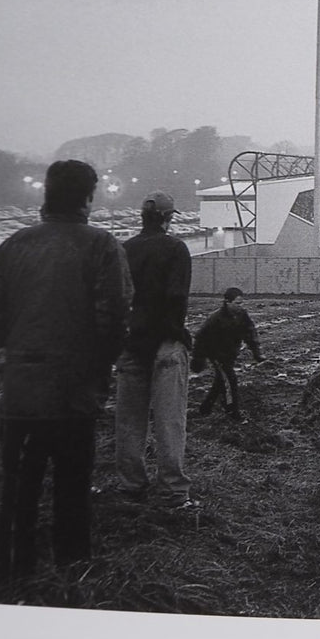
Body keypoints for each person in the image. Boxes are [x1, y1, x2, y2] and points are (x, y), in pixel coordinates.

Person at [0, 160, 131, 578]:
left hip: (21, 391)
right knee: (71, 486)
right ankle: (71, 571)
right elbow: (113, 319)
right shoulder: (100, 247)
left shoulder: (14, 245)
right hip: (73, 391)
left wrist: (23, 344)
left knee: (19, 486)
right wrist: (98, 367)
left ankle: (14, 568)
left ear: (46, 193)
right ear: (88, 196)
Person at [116, 190, 196, 508]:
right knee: (169, 420)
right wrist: (179, 334)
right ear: (167, 218)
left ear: (143, 216)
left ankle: (130, 485)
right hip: (165, 343)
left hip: (133, 342)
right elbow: (177, 297)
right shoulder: (176, 248)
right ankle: (173, 490)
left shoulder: (125, 249)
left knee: (129, 421)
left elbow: (119, 297)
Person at [191, 287, 264, 421]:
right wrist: (198, 359)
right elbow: (200, 338)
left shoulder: (242, 315)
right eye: (237, 303)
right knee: (230, 380)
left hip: (230, 354)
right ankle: (232, 412)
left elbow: (250, 333)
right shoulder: (216, 318)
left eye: (241, 303)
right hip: (216, 354)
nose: (240, 306)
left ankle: (205, 408)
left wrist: (256, 353)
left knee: (220, 381)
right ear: (227, 302)